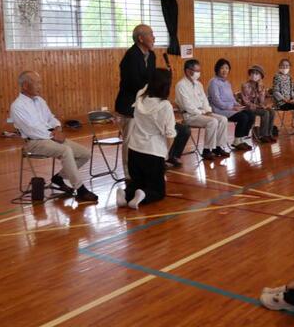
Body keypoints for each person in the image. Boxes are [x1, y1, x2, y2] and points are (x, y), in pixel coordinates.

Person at [114, 24, 190, 176]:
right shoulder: (131, 57)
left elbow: (151, 80)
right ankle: (129, 173)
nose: (154, 37)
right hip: (129, 105)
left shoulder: (152, 55)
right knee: (130, 140)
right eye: (150, 34)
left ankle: (157, 161)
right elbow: (134, 83)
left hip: (146, 102)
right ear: (140, 38)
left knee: (157, 133)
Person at [10, 71, 97, 201]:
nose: (40, 86)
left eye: (40, 83)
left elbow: (51, 118)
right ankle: (80, 189)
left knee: (85, 154)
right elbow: (31, 129)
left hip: (51, 137)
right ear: (25, 86)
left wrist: (57, 128)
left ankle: (59, 178)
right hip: (34, 142)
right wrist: (52, 135)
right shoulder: (17, 106)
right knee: (65, 150)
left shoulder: (40, 101)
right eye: (37, 83)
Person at [116, 69, 176, 209]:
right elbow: (170, 134)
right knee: (158, 191)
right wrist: (166, 152)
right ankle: (143, 196)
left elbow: (145, 88)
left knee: (137, 182)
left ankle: (125, 194)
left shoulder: (140, 97)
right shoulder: (165, 106)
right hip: (153, 152)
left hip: (134, 149)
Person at [175, 59, 229, 161]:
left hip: (203, 113)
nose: (198, 73)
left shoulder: (198, 84)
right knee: (212, 121)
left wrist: (208, 110)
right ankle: (207, 150)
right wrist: (202, 113)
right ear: (188, 71)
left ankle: (218, 147)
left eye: (199, 71)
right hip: (190, 116)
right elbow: (187, 106)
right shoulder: (180, 85)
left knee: (223, 119)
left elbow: (204, 99)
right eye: (196, 71)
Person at [208, 58, 254, 151]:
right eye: (222, 68)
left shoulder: (227, 82)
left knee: (251, 114)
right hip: (220, 110)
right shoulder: (213, 82)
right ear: (217, 69)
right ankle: (237, 141)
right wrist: (232, 108)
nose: (225, 70)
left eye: (227, 68)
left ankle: (241, 139)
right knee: (243, 117)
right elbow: (217, 101)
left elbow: (232, 99)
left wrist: (238, 105)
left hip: (230, 109)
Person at [241, 65, 276, 143]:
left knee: (272, 111)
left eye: (257, 74)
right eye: (252, 73)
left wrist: (260, 89)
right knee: (265, 113)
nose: (254, 75)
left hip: (258, 107)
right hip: (249, 107)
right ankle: (262, 135)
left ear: (260, 76)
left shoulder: (261, 85)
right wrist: (259, 106)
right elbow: (246, 102)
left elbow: (262, 100)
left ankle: (269, 134)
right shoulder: (245, 85)